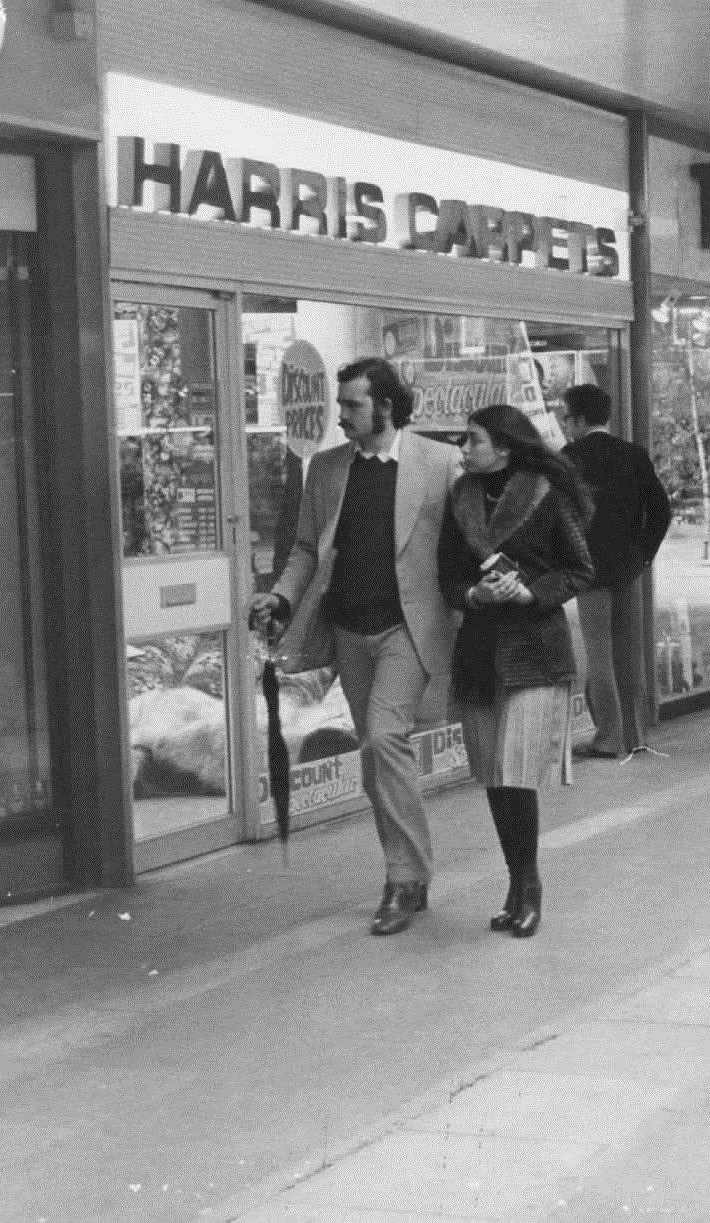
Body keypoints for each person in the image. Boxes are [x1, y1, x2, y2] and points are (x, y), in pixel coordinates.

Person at [250, 358, 461, 937]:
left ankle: (403, 877)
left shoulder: (440, 463)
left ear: (386, 407)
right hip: (349, 632)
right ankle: (409, 872)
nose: (340, 416)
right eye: (340, 405)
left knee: (385, 738)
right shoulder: (327, 469)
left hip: (409, 632)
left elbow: (468, 542)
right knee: (374, 757)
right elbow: (304, 551)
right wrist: (281, 600)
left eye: (352, 406)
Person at [439, 403, 595, 938]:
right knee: (493, 778)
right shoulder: (460, 498)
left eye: (473, 440)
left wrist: (530, 591)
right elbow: (447, 578)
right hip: (480, 650)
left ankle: (529, 888)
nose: (463, 449)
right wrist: (473, 593)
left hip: (534, 652)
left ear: (504, 447)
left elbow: (580, 569)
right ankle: (514, 884)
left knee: (516, 774)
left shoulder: (545, 495)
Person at [558, 383, 671, 759]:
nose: (564, 425)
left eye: (566, 418)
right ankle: (634, 734)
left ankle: (608, 737)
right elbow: (661, 510)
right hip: (628, 567)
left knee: (599, 656)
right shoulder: (633, 455)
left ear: (578, 419)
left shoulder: (568, 460)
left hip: (588, 571)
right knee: (630, 655)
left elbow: (557, 518)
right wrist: (645, 552)